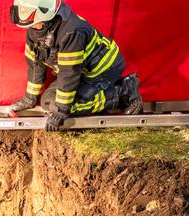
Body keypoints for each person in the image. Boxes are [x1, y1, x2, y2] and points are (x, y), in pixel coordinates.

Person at [8, 0, 143, 131]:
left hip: (102, 69)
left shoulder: (72, 31)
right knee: (47, 101)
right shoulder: (36, 28)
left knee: (66, 107)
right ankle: (115, 91)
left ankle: (121, 92)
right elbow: (35, 65)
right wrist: (30, 98)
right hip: (80, 71)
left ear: (45, 14)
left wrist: (61, 111)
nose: (30, 27)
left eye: (33, 23)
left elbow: (69, 74)